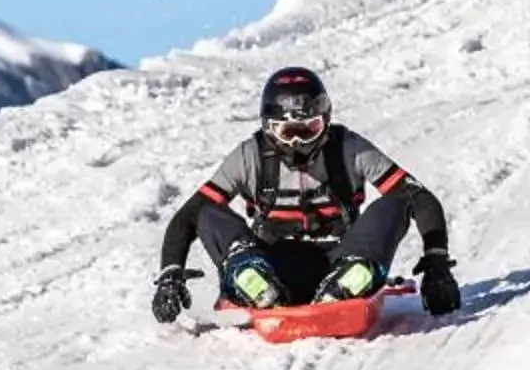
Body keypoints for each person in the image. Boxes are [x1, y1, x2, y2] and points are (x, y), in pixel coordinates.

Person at [149, 66, 461, 322]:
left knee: (397, 202)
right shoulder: (250, 156)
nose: (298, 142)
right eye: (288, 132)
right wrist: (170, 275)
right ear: (269, 129)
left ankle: (348, 282)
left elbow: (419, 197)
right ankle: (252, 279)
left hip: (340, 259)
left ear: (325, 123)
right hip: (273, 265)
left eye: (308, 129)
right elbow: (189, 216)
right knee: (206, 211)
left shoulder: (348, 148)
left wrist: (437, 261)